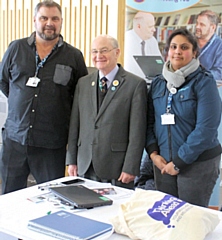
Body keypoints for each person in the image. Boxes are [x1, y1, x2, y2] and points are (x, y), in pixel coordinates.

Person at [0, 0, 88, 194]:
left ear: (61, 22)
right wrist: (19, 102)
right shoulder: (16, 48)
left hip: (52, 144)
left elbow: (81, 97)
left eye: (54, 18)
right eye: (44, 18)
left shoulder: (73, 56)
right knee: (8, 198)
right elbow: (3, 81)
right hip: (15, 140)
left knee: (53, 200)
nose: (49, 23)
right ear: (34, 20)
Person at [146, 28, 221, 207]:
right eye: (173, 47)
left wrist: (179, 162)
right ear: (167, 51)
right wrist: (154, 154)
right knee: (166, 218)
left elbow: (206, 130)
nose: (177, 51)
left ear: (194, 53)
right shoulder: (158, 83)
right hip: (163, 164)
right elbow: (149, 122)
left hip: (197, 164)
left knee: (190, 220)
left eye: (184, 47)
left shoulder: (204, 81)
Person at [66, 35, 147, 189]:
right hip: (85, 164)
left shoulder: (135, 85)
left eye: (104, 51)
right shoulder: (83, 83)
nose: (98, 56)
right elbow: (75, 124)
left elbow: (137, 131)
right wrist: (72, 159)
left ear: (117, 52)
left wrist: (130, 166)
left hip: (116, 167)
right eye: (94, 51)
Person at [124, 11, 162, 81]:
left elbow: (159, 64)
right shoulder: (125, 40)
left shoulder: (152, 40)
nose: (154, 30)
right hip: (131, 83)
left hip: (151, 83)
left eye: (154, 26)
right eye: (150, 26)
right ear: (138, 26)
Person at [195, 10, 222, 81]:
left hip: (206, 87)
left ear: (213, 27)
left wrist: (197, 76)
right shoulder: (190, 41)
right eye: (197, 23)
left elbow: (219, 73)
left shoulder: (220, 46)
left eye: (202, 24)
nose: (197, 27)